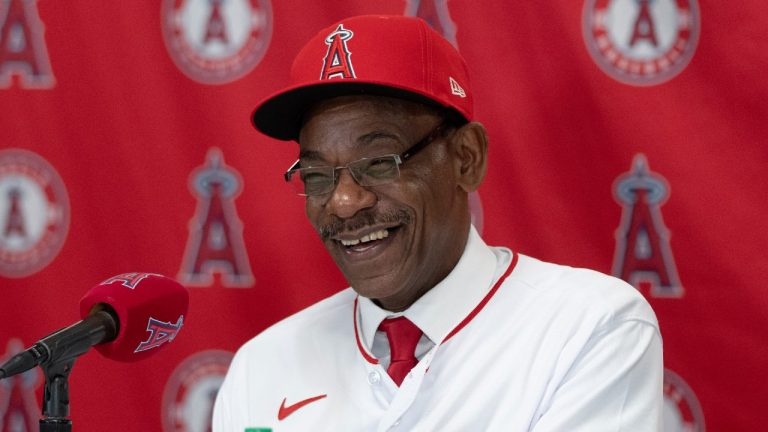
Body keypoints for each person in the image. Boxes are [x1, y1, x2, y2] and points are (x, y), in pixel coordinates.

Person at [213, 14, 662, 431]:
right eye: (315, 175)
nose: (345, 202)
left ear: (467, 158)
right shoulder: (262, 365)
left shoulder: (588, 327)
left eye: (378, 162)